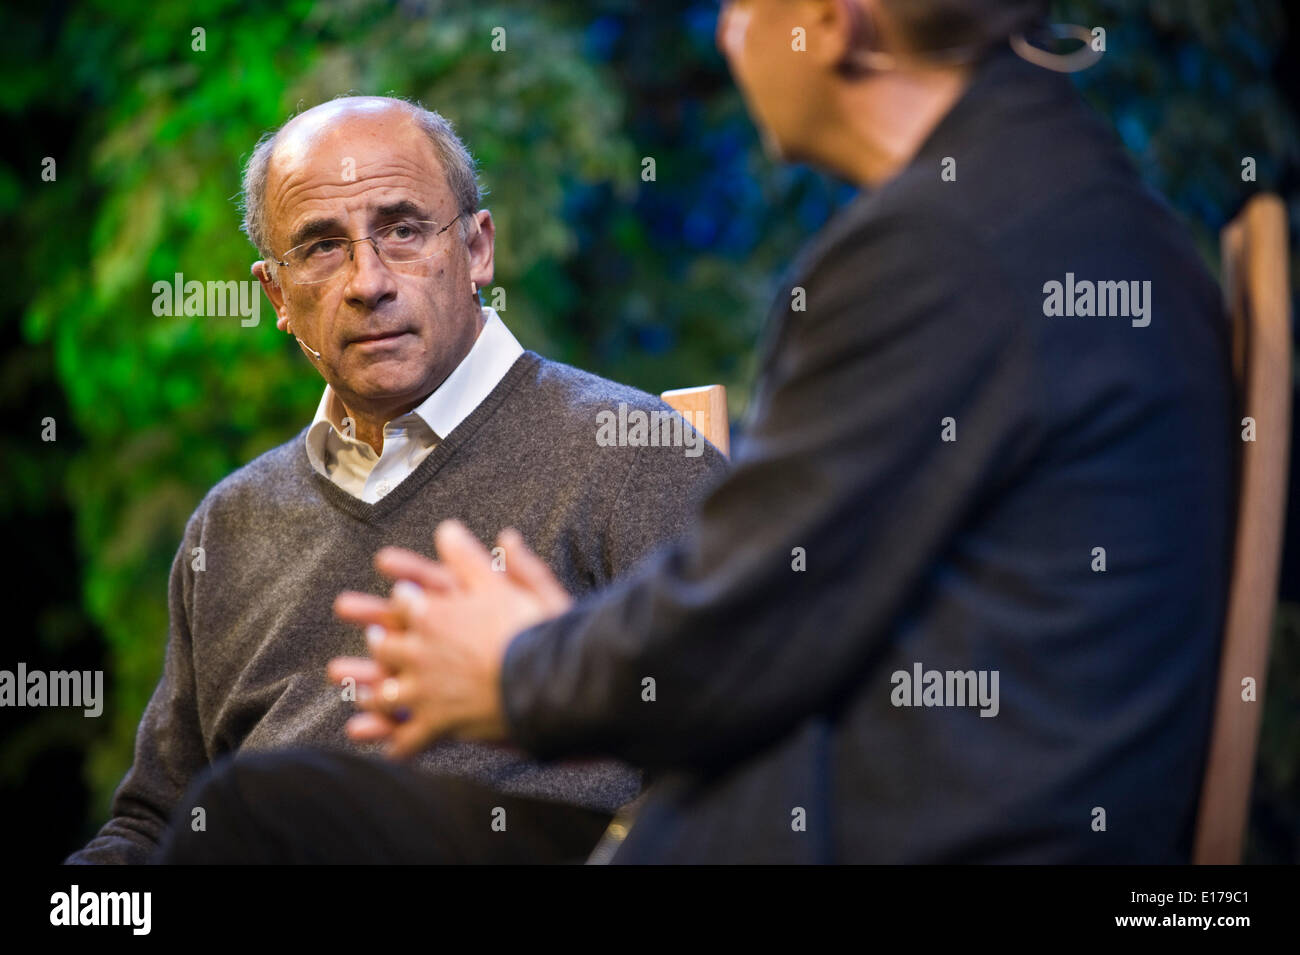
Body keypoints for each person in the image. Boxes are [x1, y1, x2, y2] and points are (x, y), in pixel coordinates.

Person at [160, 0, 1234, 864]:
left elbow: (749, 631)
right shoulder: (1064, 208)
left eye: (744, 5)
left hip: (924, 830)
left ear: (836, 22)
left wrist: (515, 666)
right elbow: (786, 604)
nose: (727, 32)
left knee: (270, 811)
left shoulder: (940, 252)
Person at [66, 96, 728, 864]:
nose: (367, 282)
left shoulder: (634, 455)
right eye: (320, 248)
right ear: (278, 296)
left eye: (404, 230)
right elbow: (153, 822)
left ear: (478, 250)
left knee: (259, 805)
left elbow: (734, 755)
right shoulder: (230, 524)